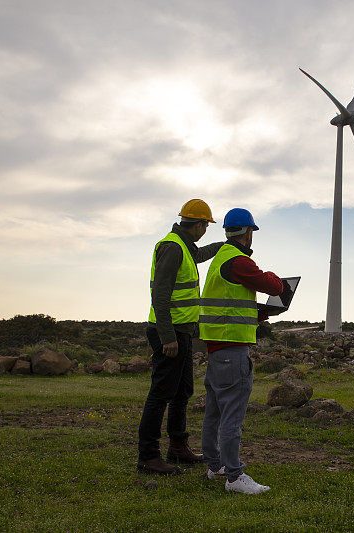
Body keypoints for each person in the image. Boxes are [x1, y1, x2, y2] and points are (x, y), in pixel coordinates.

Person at [199, 208, 283, 494]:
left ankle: (215, 465)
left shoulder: (219, 259)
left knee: (214, 412)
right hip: (232, 350)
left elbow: (227, 305)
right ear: (248, 232)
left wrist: (256, 316)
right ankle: (234, 477)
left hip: (216, 348)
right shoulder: (239, 261)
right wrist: (276, 278)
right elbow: (272, 284)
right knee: (232, 416)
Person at [137, 199, 223, 475]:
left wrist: (224, 246)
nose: (206, 231)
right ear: (198, 224)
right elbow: (160, 296)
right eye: (206, 226)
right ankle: (149, 457)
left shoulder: (184, 247)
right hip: (170, 333)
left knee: (182, 391)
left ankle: (177, 446)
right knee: (160, 394)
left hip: (182, 332)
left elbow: (199, 255)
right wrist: (167, 337)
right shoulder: (173, 248)